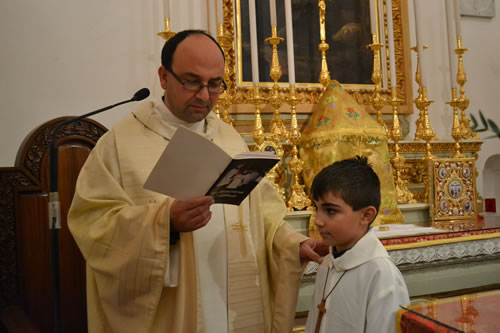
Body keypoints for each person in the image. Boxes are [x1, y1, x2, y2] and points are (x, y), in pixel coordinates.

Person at [68, 29, 326, 333]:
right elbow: (93, 225)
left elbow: (264, 218)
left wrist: (292, 245)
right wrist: (164, 222)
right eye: (191, 81)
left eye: (215, 84)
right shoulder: (120, 144)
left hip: (235, 306)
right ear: (164, 77)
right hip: (173, 311)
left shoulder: (230, 139)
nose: (204, 95)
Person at [304, 156, 410, 333]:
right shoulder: (328, 264)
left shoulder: (381, 276)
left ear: (366, 216)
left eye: (330, 211)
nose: (318, 221)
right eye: (317, 209)